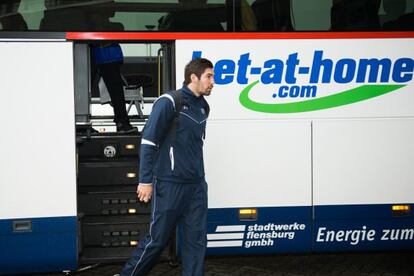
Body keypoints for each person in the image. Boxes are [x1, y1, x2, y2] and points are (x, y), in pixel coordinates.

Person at [120, 58, 214, 276]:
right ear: (193, 77)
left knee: (196, 241)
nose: (212, 82)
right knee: (157, 240)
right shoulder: (170, 101)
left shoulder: (203, 106)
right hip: (170, 184)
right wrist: (145, 180)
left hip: (196, 186)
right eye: (209, 76)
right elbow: (148, 142)